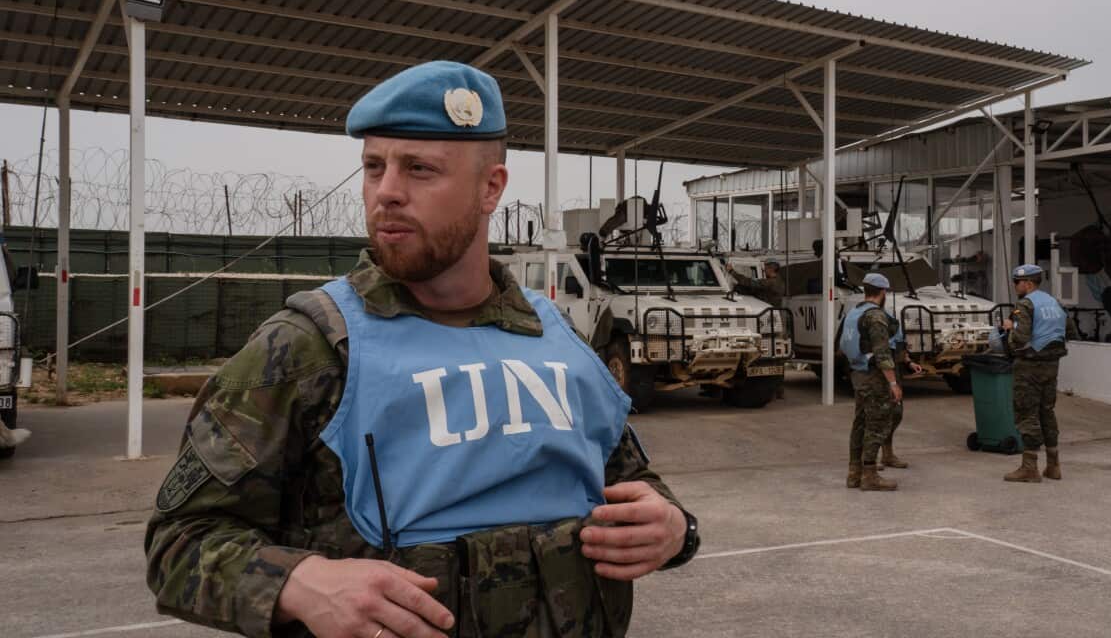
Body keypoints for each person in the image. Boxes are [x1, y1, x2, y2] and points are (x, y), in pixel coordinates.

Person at [144, 61, 699, 638]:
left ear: (491, 188)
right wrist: (299, 582)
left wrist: (675, 528)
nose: (387, 193)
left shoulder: (555, 338)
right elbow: (179, 542)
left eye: (419, 169)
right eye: (373, 166)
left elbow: (631, 482)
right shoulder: (308, 347)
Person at [839, 273, 920, 492]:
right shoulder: (875, 317)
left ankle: (854, 474)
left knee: (860, 423)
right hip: (875, 377)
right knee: (877, 425)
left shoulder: (854, 313)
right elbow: (883, 353)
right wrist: (893, 383)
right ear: (883, 292)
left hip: (858, 373)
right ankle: (870, 475)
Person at [1000, 264, 1081, 483]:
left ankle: (1029, 468)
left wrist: (1009, 328)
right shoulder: (1054, 302)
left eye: (1017, 282)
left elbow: (1020, 338)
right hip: (1052, 365)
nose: (1015, 286)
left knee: (1027, 412)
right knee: (1047, 412)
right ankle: (1053, 466)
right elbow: (1070, 331)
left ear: (1027, 283)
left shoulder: (1025, 305)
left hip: (1029, 366)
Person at [879, 317, 922, 471]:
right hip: (879, 370)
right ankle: (868, 458)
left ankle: (887, 454)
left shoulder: (891, 320)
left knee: (896, 413)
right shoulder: (872, 319)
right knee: (877, 415)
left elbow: (900, 347)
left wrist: (909, 362)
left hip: (894, 368)